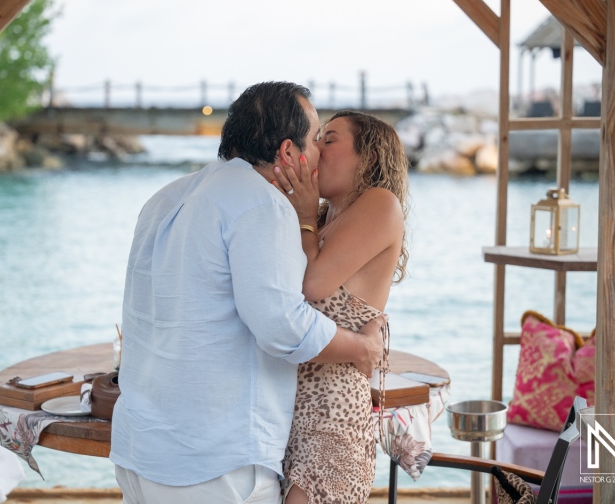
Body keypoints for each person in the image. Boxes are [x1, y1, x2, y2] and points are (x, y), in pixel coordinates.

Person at [110, 82, 387, 504]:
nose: (318, 154)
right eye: (315, 140)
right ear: (288, 152)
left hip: (139, 449)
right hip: (211, 464)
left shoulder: (165, 197)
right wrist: (361, 348)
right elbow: (283, 326)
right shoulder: (260, 203)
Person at [272, 111, 409, 504]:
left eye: (328, 140)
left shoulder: (380, 204)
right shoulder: (321, 220)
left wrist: (302, 212)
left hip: (331, 417)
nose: (314, 149)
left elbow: (313, 285)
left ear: (368, 158)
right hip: (289, 413)